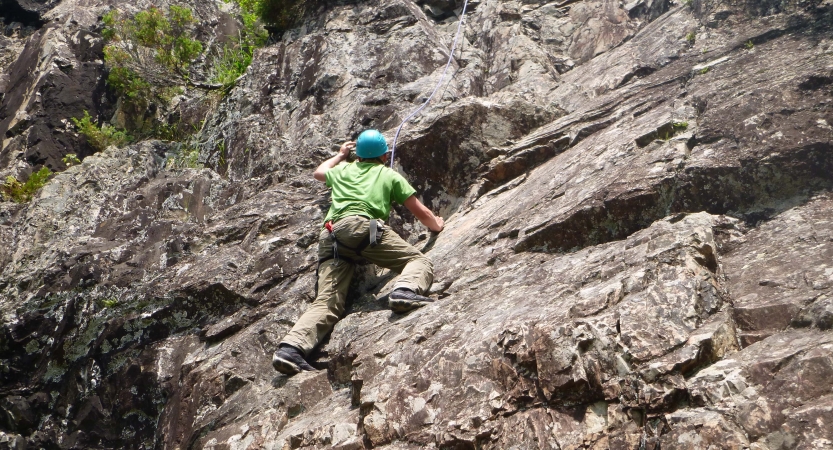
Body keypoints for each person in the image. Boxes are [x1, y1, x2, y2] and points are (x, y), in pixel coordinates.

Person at [272, 129, 445, 375]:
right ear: (384, 156)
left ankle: (290, 349)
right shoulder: (388, 174)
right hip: (363, 228)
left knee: (328, 301)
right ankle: (405, 291)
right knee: (417, 261)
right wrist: (437, 225)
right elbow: (420, 212)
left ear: (359, 155)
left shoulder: (343, 169)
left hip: (331, 235)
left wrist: (340, 155)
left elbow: (319, 172)